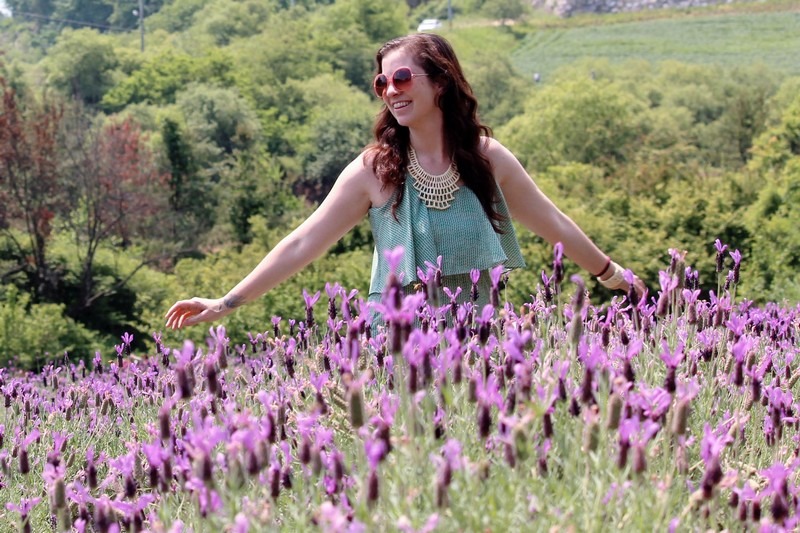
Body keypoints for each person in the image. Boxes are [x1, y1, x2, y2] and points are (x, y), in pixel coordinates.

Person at [165, 33, 645, 330]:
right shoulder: (374, 170)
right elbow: (303, 242)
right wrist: (226, 302)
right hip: (397, 348)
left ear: (440, 83)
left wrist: (613, 277)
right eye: (381, 83)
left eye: (401, 77)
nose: (391, 90)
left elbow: (553, 222)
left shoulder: (485, 158)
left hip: (481, 342)